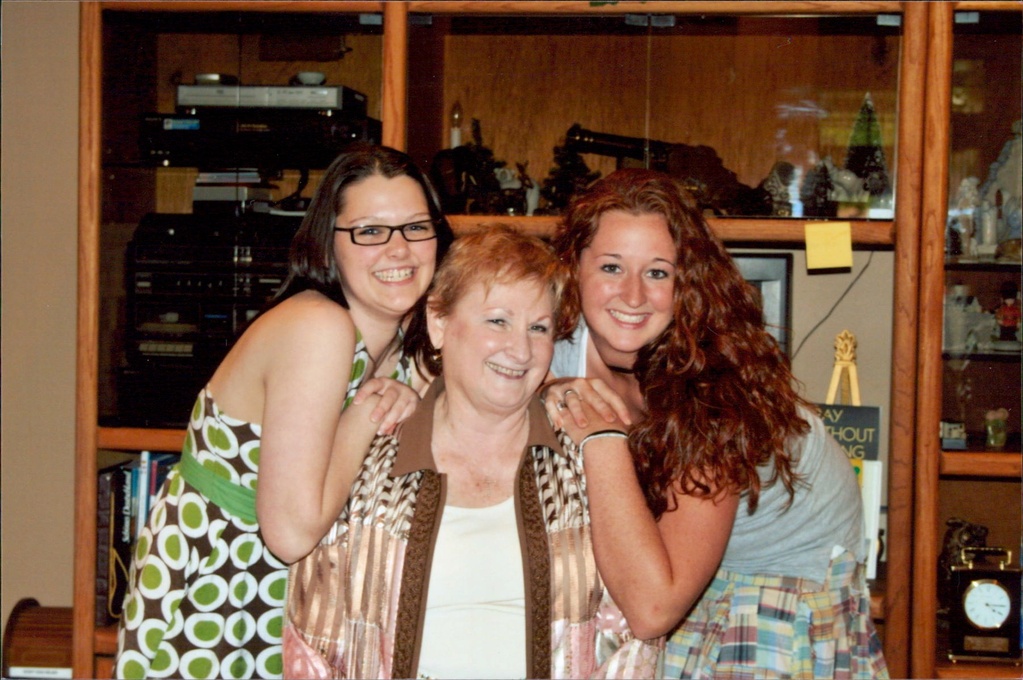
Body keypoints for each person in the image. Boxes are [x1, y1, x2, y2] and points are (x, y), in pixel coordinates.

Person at [114, 143, 454, 680]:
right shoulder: (318, 327)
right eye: (369, 231)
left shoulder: (402, 339)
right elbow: (290, 534)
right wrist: (367, 414)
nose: (399, 249)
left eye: (415, 227)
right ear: (328, 243)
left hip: (292, 595)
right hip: (221, 591)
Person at [544, 169, 888, 678]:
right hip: (688, 565)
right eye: (612, 267)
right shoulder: (547, 344)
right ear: (573, 269)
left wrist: (602, 437)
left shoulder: (715, 391)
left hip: (784, 573)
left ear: (689, 282)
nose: (633, 295)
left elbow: (652, 609)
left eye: (658, 273)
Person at [282, 226, 661, 679]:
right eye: (498, 321)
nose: (520, 350)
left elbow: (630, 641)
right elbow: (315, 636)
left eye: (538, 328)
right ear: (439, 322)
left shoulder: (588, 461)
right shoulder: (370, 458)